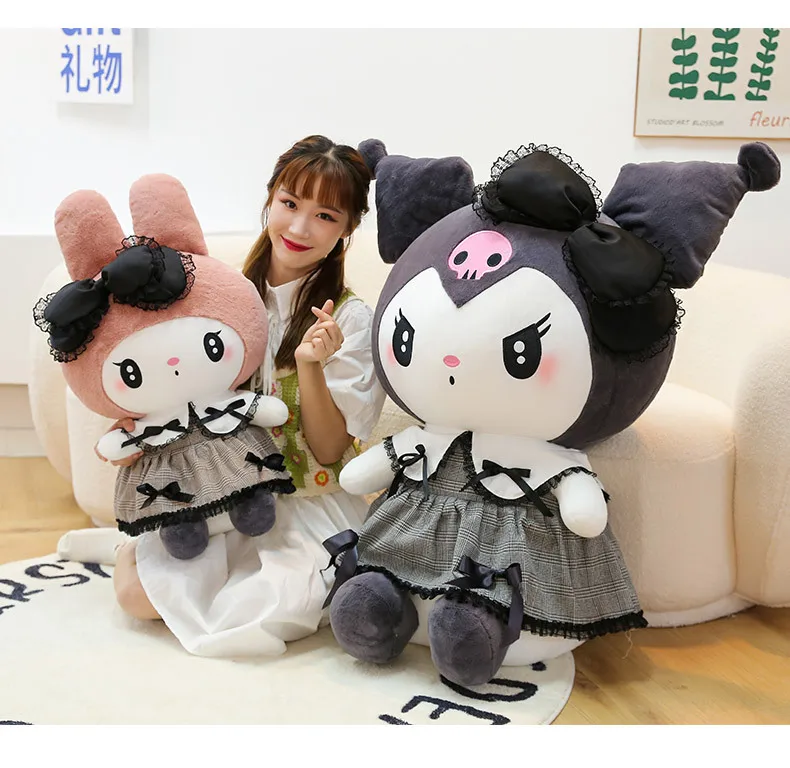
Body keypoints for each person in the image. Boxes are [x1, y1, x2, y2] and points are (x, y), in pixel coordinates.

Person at [63, 135, 386, 656]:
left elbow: (329, 450)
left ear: (347, 229)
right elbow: (166, 377)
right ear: (270, 200)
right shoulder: (222, 297)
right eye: (290, 204)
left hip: (307, 503)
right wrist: (137, 426)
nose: (300, 228)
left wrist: (310, 366)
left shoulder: (349, 319)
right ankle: (130, 544)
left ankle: (146, 547)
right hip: (219, 489)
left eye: (325, 216)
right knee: (136, 596)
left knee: (287, 606)